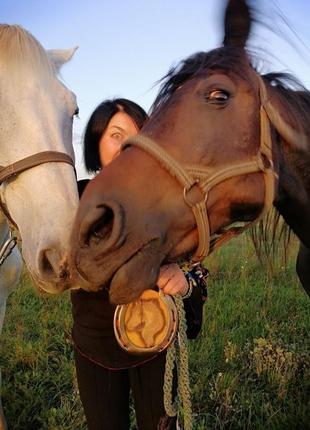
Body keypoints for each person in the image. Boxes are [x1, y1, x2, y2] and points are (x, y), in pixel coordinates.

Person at [72, 98, 209, 430]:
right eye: (116, 135)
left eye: (138, 134)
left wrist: (184, 278)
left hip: (155, 342)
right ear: (96, 141)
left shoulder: (167, 202)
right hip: (95, 344)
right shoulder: (75, 198)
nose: (128, 144)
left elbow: (195, 264)